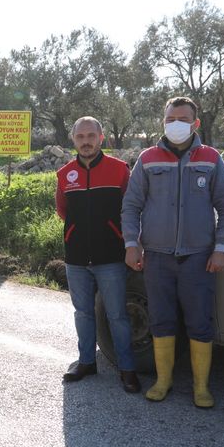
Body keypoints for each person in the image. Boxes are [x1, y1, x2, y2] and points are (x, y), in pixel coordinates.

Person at [121, 96, 224, 408]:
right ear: (163, 122)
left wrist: (221, 248)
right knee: (161, 320)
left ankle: (201, 387)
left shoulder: (211, 158)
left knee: (199, 322)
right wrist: (132, 244)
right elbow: (131, 207)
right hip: (156, 257)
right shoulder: (147, 158)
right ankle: (163, 380)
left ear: (195, 123)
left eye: (182, 119)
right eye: (170, 119)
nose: (176, 124)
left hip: (199, 258)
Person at [56, 116, 140, 394]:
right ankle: (86, 362)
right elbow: (63, 211)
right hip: (77, 257)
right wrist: (74, 233)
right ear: (74, 140)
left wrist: (123, 238)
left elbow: (131, 209)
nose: (86, 141)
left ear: (101, 138)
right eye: (80, 137)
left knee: (116, 315)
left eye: (91, 135)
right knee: (83, 313)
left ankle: (127, 368)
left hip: (111, 257)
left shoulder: (119, 170)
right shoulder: (64, 174)